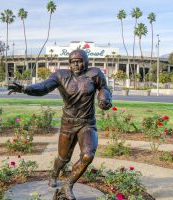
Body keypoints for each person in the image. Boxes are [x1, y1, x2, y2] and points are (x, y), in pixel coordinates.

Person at [8, 49, 112, 200]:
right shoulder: (61, 75)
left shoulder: (95, 73)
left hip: (87, 123)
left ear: (86, 61)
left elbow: (104, 88)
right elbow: (44, 87)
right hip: (68, 124)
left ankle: (67, 185)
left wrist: (104, 98)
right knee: (63, 158)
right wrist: (25, 89)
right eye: (73, 61)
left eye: (79, 61)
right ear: (69, 63)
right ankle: (54, 173)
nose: (76, 64)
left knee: (88, 155)